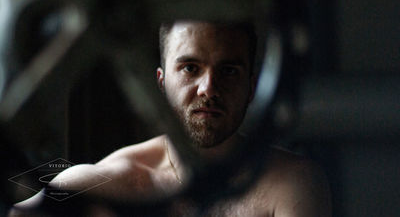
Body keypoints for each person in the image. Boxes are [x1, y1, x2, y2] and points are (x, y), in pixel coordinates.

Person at [10, 20, 331, 216]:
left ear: (251, 88)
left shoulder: (292, 183)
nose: (209, 88)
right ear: (160, 83)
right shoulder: (101, 184)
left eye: (229, 71)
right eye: (191, 68)